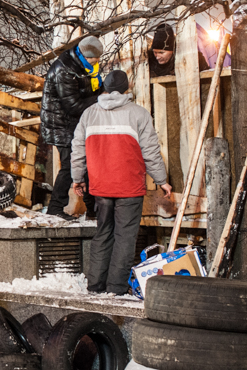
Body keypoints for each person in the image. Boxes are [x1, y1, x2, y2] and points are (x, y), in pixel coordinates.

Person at [70, 70, 172, 295]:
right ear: (126, 88)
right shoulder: (139, 114)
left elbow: (77, 148)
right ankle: (115, 288)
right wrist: (161, 180)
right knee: (125, 237)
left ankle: (95, 286)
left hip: (101, 186)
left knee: (103, 232)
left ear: (104, 87)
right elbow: (151, 151)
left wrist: (77, 178)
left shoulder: (89, 114)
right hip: (129, 187)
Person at [40, 35, 103, 219]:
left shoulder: (84, 67)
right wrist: (101, 97)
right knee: (69, 166)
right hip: (60, 124)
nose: (97, 62)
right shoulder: (63, 70)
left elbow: (86, 92)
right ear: (85, 56)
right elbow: (73, 106)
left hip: (74, 124)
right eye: (94, 59)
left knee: (87, 165)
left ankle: (92, 211)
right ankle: (55, 208)